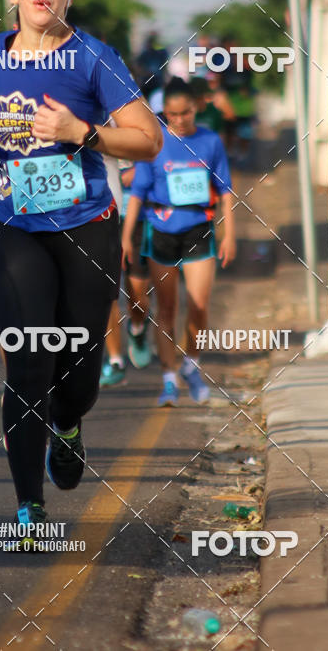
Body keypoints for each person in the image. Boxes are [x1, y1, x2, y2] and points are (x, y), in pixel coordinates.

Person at [0, 0, 161, 534]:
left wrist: (83, 132)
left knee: (79, 370)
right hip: (9, 223)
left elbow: (147, 140)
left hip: (85, 226)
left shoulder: (94, 57)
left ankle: (67, 425)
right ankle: (28, 507)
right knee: (28, 360)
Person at [122, 77, 236, 408]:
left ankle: (192, 364)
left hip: (198, 229)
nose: (180, 120)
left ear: (196, 108)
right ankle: (169, 378)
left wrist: (229, 234)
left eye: (185, 113)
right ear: (165, 113)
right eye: (172, 115)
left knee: (199, 306)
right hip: (161, 230)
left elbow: (225, 192)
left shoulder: (211, 141)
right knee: (167, 309)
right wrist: (127, 237)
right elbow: (138, 194)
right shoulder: (154, 143)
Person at [100, 158, 153, 387]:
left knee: (138, 298)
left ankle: (138, 327)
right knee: (107, 293)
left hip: (139, 220)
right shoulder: (94, 126)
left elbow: (152, 162)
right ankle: (115, 360)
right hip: (103, 219)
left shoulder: (145, 125)